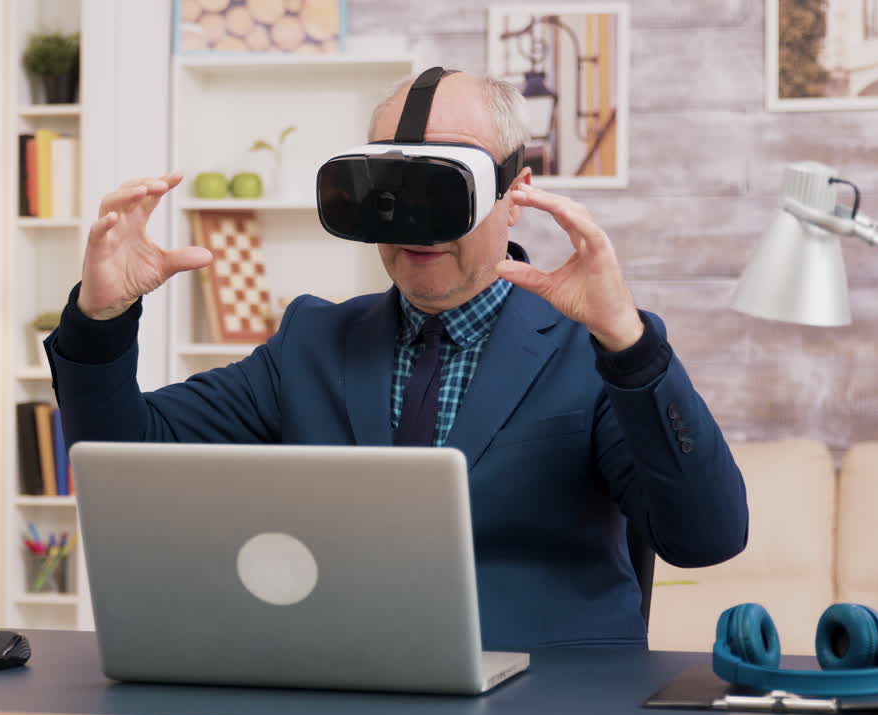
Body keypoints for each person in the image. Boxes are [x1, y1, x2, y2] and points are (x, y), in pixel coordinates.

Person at [46, 70, 748, 649]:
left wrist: (628, 343)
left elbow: (707, 537)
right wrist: (101, 320)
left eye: (446, 185)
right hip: (351, 685)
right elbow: (122, 463)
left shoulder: (591, 352)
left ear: (515, 195)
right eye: (394, 185)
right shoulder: (312, 342)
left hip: (547, 694)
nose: (417, 219)